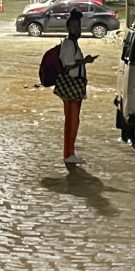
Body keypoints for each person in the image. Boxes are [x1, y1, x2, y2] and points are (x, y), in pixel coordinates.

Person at [55, 9, 96, 167]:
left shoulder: (73, 44)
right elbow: (67, 66)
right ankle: (68, 153)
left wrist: (85, 62)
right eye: (74, 27)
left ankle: (70, 151)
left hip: (75, 86)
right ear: (68, 28)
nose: (77, 30)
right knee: (71, 121)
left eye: (78, 26)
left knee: (74, 120)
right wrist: (83, 62)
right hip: (71, 86)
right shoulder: (68, 44)